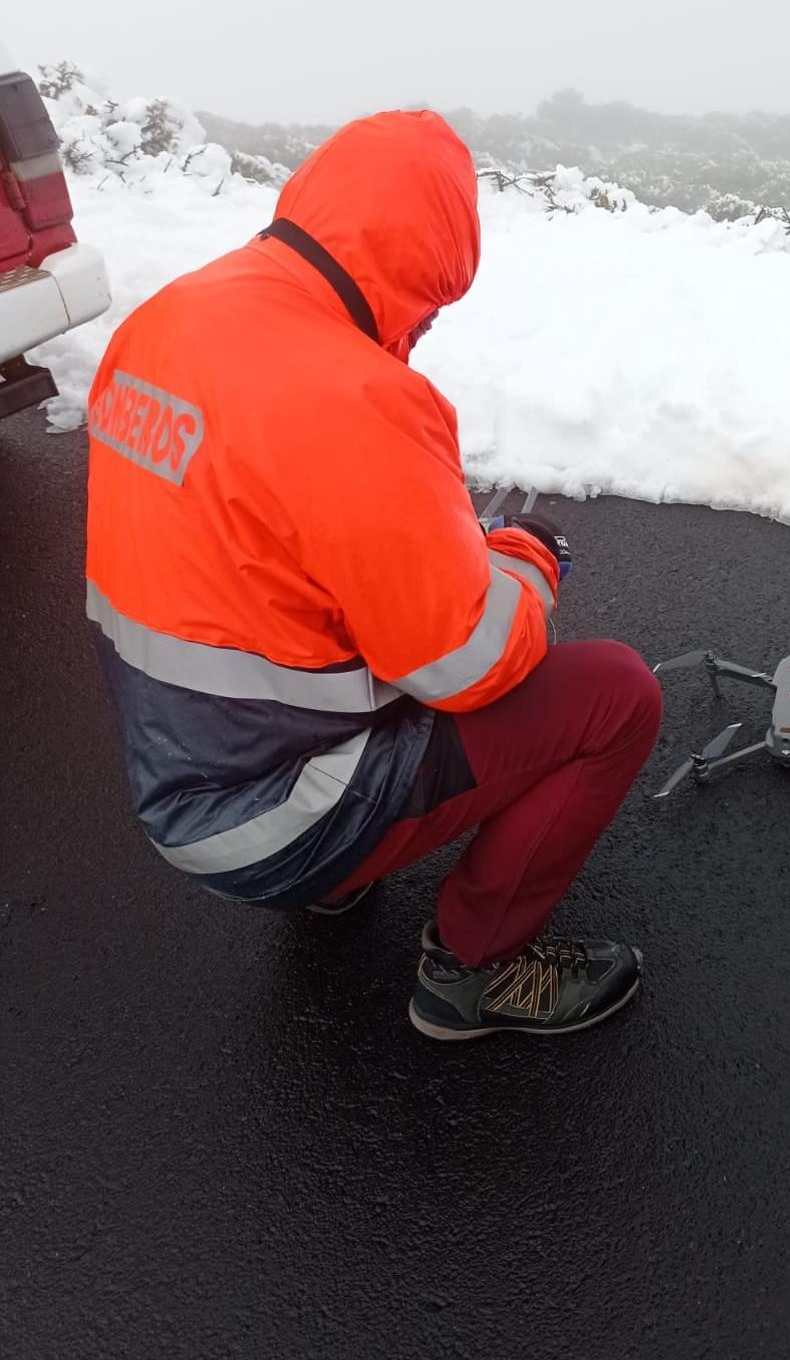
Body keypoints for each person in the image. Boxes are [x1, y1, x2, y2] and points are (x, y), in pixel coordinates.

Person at [84, 110, 662, 1041]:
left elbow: (256, 551)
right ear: (415, 262)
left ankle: (342, 884)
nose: (429, 324)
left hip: (177, 780)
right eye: (434, 297)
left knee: (364, 627)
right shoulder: (355, 398)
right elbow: (467, 662)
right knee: (616, 696)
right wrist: (527, 556)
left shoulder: (169, 321)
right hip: (273, 817)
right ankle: (474, 971)